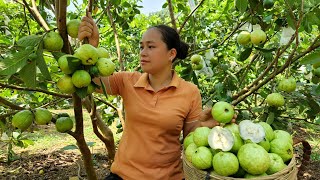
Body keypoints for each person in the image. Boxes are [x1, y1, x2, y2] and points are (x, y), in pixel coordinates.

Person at [78, 13, 236, 180]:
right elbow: (90, 80)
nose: (143, 53)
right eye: (141, 47)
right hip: (123, 175)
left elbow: (191, 139)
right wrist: (92, 46)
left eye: (151, 47)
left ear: (171, 54)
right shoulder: (127, 81)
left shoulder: (189, 91)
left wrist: (204, 125)